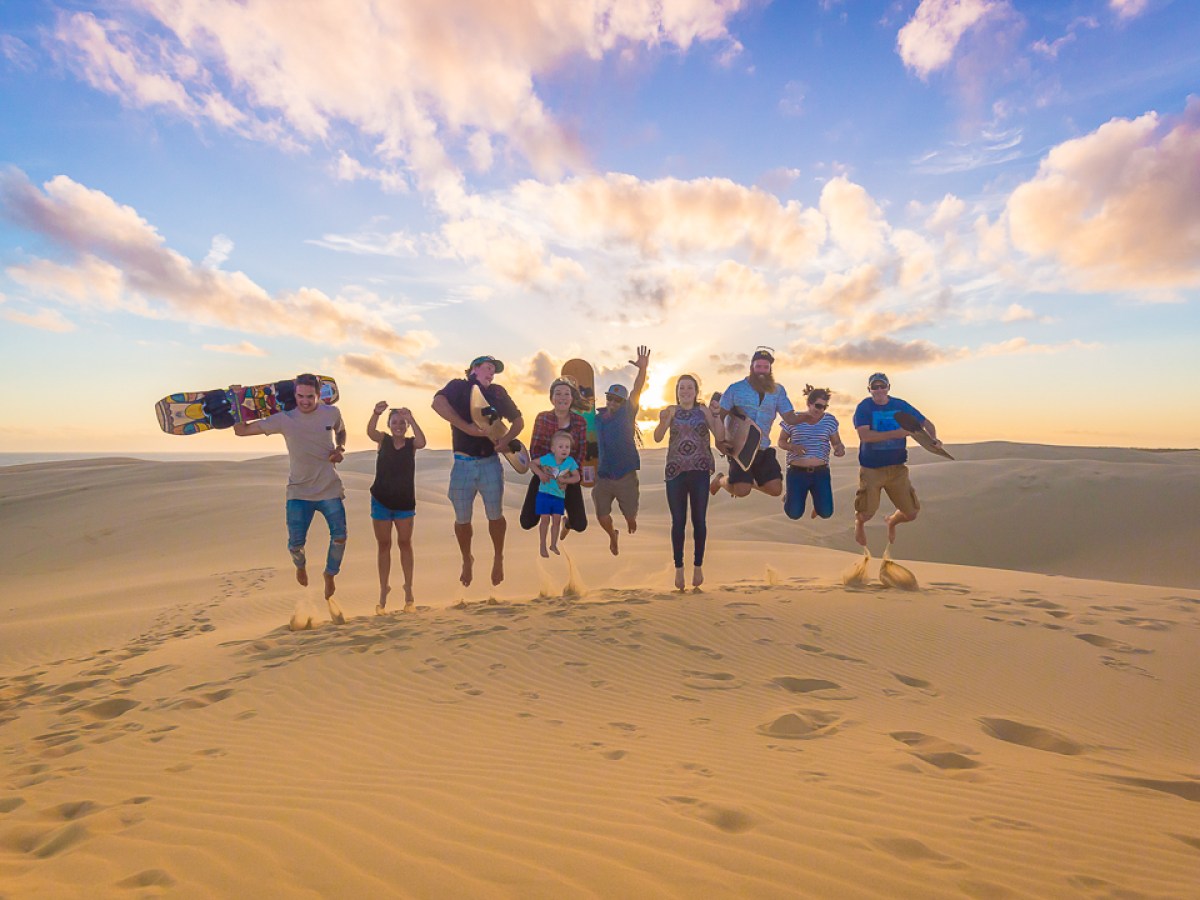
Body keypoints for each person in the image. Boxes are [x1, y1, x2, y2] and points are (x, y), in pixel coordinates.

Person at [233, 373, 348, 620]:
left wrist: (340, 449)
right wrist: (236, 400)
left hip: (329, 488)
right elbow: (241, 432)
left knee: (340, 537)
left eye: (310, 396)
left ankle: (330, 574)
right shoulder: (283, 420)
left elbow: (341, 431)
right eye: (300, 396)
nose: (305, 401)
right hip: (298, 491)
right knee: (295, 544)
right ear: (294, 394)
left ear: (319, 395)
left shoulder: (331, 413)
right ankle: (300, 566)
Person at [431, 355, 524, 587]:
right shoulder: (458, 387)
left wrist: (506, 441)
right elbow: (437, 404)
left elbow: (519, 421)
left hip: (490, 462)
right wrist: (467, 429)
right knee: (462, 520)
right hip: (462, 463)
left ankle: (498, 557)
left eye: (494, 370)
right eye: (488, 368)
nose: (492, 373)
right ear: (474, 369)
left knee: (496, 515)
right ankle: (466, 558)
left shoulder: (498, 393)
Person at [852, 372, 942, 546]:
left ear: (888, 387)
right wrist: (898, 433)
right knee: (866, 513)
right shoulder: (864, 407)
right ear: (869, 389)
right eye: (875, 387)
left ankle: (892, 521)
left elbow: (925, 422)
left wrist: (934, 439)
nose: (879, 390)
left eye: (882, 386)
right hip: (872, 469)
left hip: (897, 469)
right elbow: (865, 436)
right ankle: (859, 523)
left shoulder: (900, 405)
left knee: (911, 513)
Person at [654, 374, 726, 591]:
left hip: (699, 470)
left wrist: (717, 416)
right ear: (677, 391)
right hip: (675, 471)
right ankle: (678, 568)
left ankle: (698, 566)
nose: (685, 391)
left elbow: (720, 436)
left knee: (699, 520)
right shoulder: (671, 410)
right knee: (678, 521)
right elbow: (657, 437)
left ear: (696, 391)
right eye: (682, 388)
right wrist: (663, 421)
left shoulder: (703, 411)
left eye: (689, 388)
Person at [712, 347, 799, 499]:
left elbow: (789, 417)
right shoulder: (735, 388)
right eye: (758, 366)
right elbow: (718, 417)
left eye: (766, 367)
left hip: (763, 447)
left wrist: (810, 416)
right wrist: (718, 441)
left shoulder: (778, 391)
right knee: (741, 491)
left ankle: (745, 481)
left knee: (775, 490)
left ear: (770, 369)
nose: (762, 370)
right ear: (752, 367)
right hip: (740, 448)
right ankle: (721, 480)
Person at [366, 402, 427, 613]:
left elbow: (422, 441)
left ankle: (408, 589)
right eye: (395, 422)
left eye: (402, 422)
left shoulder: (411, 445)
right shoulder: (384, 440)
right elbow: (371, 432)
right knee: (383, 545)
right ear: (389, 425)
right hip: (381, 501)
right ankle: (384, 590)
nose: (399, 426)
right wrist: (376, 413)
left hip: (404, 504)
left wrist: (412, 418)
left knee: (405, 543)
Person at [592, 345, 650, 556]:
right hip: (604, 475)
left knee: (631, 516)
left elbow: (637, 389)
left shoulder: (627, 414)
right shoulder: (596, 419)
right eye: (610, 398)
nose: (613, 402)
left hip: (625, 473)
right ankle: (612, 536)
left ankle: (629, 518)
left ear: (623, 402)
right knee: (601, 515)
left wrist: (642, 370)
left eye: (617, 400)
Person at [519, 377, 588, 539]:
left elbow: (581, 452)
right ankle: (549, 507)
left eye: (566, 394)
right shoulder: (542, 418)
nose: (562, 397)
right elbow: (535, 449)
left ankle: (566, 520)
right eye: (558, 393)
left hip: (568, 475)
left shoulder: (580, 422)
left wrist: (565, 476)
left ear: (572, 399)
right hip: (545, 473)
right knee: (527, 522)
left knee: (580, 525)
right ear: (551, 398)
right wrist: (546, 473)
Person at [778, 385, 845, 520]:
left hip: (820, 472)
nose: (821, 410)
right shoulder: (793, 419)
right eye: (818, 406)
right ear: (809, 403)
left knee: (826, 513)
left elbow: (836, 442)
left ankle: (817, 503)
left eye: (824, 407)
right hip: (797, 471)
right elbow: (781, 441)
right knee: (794, 514)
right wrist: (793, 447)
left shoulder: (829, 421)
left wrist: (839, 448)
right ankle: (790, 496)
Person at [529, 430, 581, 557]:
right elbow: (532, 464)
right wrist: (540, 474)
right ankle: (542, 545)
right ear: (553, 448)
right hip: (544, 494)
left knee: (556, 521)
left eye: (567, 447)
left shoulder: (570, 462)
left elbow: (577, 477)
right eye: (561, 447)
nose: (564, 450)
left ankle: (553, 544)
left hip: (559, 496)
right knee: (545, 520)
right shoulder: (547, 458)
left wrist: (565, 480)